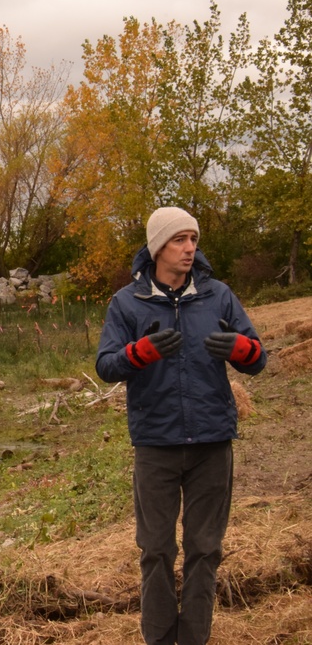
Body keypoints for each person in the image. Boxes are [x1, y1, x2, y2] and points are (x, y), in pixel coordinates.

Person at [95, 207, 266, 645]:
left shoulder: (219, 296)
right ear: (158, 247)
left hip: (212, 441)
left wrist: (241, 348)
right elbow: (107, 366)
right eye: (179, 240)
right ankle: (159, 638)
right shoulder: (127, 302)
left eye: (193, 239)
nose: (190, 248)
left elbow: (258, 360)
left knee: (205, 549)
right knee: (155, 550)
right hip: (156, 442)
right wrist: (140, 353)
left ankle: (194, 639)